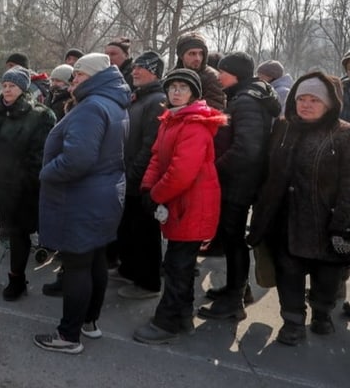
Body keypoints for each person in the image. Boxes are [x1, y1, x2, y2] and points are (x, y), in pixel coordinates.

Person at [35, 52, 130, 354]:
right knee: (94, 261)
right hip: (103, 195)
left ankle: (68, 335)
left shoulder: (91, 107)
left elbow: (77, 160)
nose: (74, 80)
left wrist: (46, 172)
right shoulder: (114, 102)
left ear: (96, 77)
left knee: (77, 265)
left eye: (80, 75)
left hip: (82, 197)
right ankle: (89, 322)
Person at [247, 73, 350, 346]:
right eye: (301, 98)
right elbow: (268, 171)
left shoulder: (343, 134)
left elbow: (348, 185)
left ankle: (321, 314)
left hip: (325, 225)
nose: (305, 104)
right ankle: (292, 322)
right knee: (287, 272)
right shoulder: (284, 127)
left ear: (329, 103)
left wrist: (343, 225)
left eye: (314, 99)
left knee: (326, 277)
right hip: (284, 220)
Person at [133, 69, 226, 344]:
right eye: (172, 87)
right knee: (178, 264)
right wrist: (148, 188)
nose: (176, 92)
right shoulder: (171, 120)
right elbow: (156, 158)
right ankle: (183, 315)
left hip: (191, 205)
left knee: (177, 265)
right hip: (178, 202)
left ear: (193, 94)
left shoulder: (194, 125)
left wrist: (158, 195)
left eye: (182, 88)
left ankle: (168, 322)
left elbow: (181, 172)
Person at [197, 51, 279, 321]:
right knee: (231, 239)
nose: (218, 76)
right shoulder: (247, 96)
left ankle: (234, 301)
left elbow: (246, 149)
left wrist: (214, 167)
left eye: (223, 71)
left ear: (237, 74)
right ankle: (237, 290)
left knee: (233, 240)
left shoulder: (245, 101)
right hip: (242, 180)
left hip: (239, 182)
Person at [0, 65, 56, 301]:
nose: (7, 90)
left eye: (13, 86)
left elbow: (40, 155)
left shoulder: (40, 116)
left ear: (24, 88)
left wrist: (25, 181)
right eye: (5, 85)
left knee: (18, 235)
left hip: (20, 189)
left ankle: (17, 280)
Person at [117, 51, 168, 300]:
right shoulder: (138, 98)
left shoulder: (157, 100)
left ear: (156, 72)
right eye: (135, 66)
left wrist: (133, 174)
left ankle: (147, 282)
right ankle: (129, 270)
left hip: (140, 179)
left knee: (144, 233)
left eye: (142, 68)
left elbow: (150, 146)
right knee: (129, 229)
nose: (135, 71)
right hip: (129, 177)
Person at [174, 33, 225, 110]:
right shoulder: (172, 76)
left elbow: (214, 113)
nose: (197, 58)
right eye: (192, 54)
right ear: (181, 56)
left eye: (201, 54)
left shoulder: (212, 78)